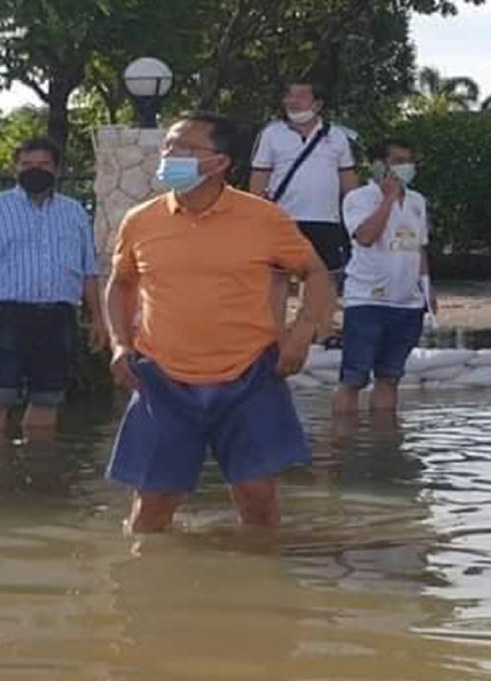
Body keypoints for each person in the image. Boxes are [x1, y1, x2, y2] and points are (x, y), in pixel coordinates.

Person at [104, 112, 333, 532]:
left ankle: (264, 590)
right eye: (169, 146)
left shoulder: (264, 218)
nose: (171, 154)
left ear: (220, 162)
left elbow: (316, 274)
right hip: (163, 379)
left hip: (248, 377)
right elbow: (119, 285)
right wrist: (120, 344)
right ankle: (142, 589)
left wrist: (301, 336)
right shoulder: (140, 220)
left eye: (186, 148)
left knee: (258, 500)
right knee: (152, 506)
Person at [0, 138, 106, 438]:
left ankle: (39, 476)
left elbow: (89, 270)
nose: (34, 170)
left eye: (43, 165)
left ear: (58, 170)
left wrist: (99, 319)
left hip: (59, 315)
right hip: (4, 314)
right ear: (15, 169)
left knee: (48, 399)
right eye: (26, 165)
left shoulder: (74, 212)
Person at [333, 139, 435, 416]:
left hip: (407, 303)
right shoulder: (358, 198)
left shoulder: (416, 201)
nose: (405, 167)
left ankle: (383, 444)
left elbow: (419, 247)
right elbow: (365, 237)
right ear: (379, 166)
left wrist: (427, 289)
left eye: (408, 160)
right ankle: (345, 445)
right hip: (367, 300)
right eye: (397, 161)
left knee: (390, 377)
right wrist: (388, 197)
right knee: (353, 379)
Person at [248, 78, 359, 331]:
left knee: (324, 278)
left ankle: (318, 333)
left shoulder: (337, 136)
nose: (292, 101)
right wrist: (255, 216)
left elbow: (348, 178)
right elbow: (259, 175)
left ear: (317, 103)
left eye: (300, 96)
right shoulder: (271, 133)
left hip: (326, 219)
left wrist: (355, 215)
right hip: (282, 218)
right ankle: (273, 335)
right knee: (277, 278)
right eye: (289, 95)